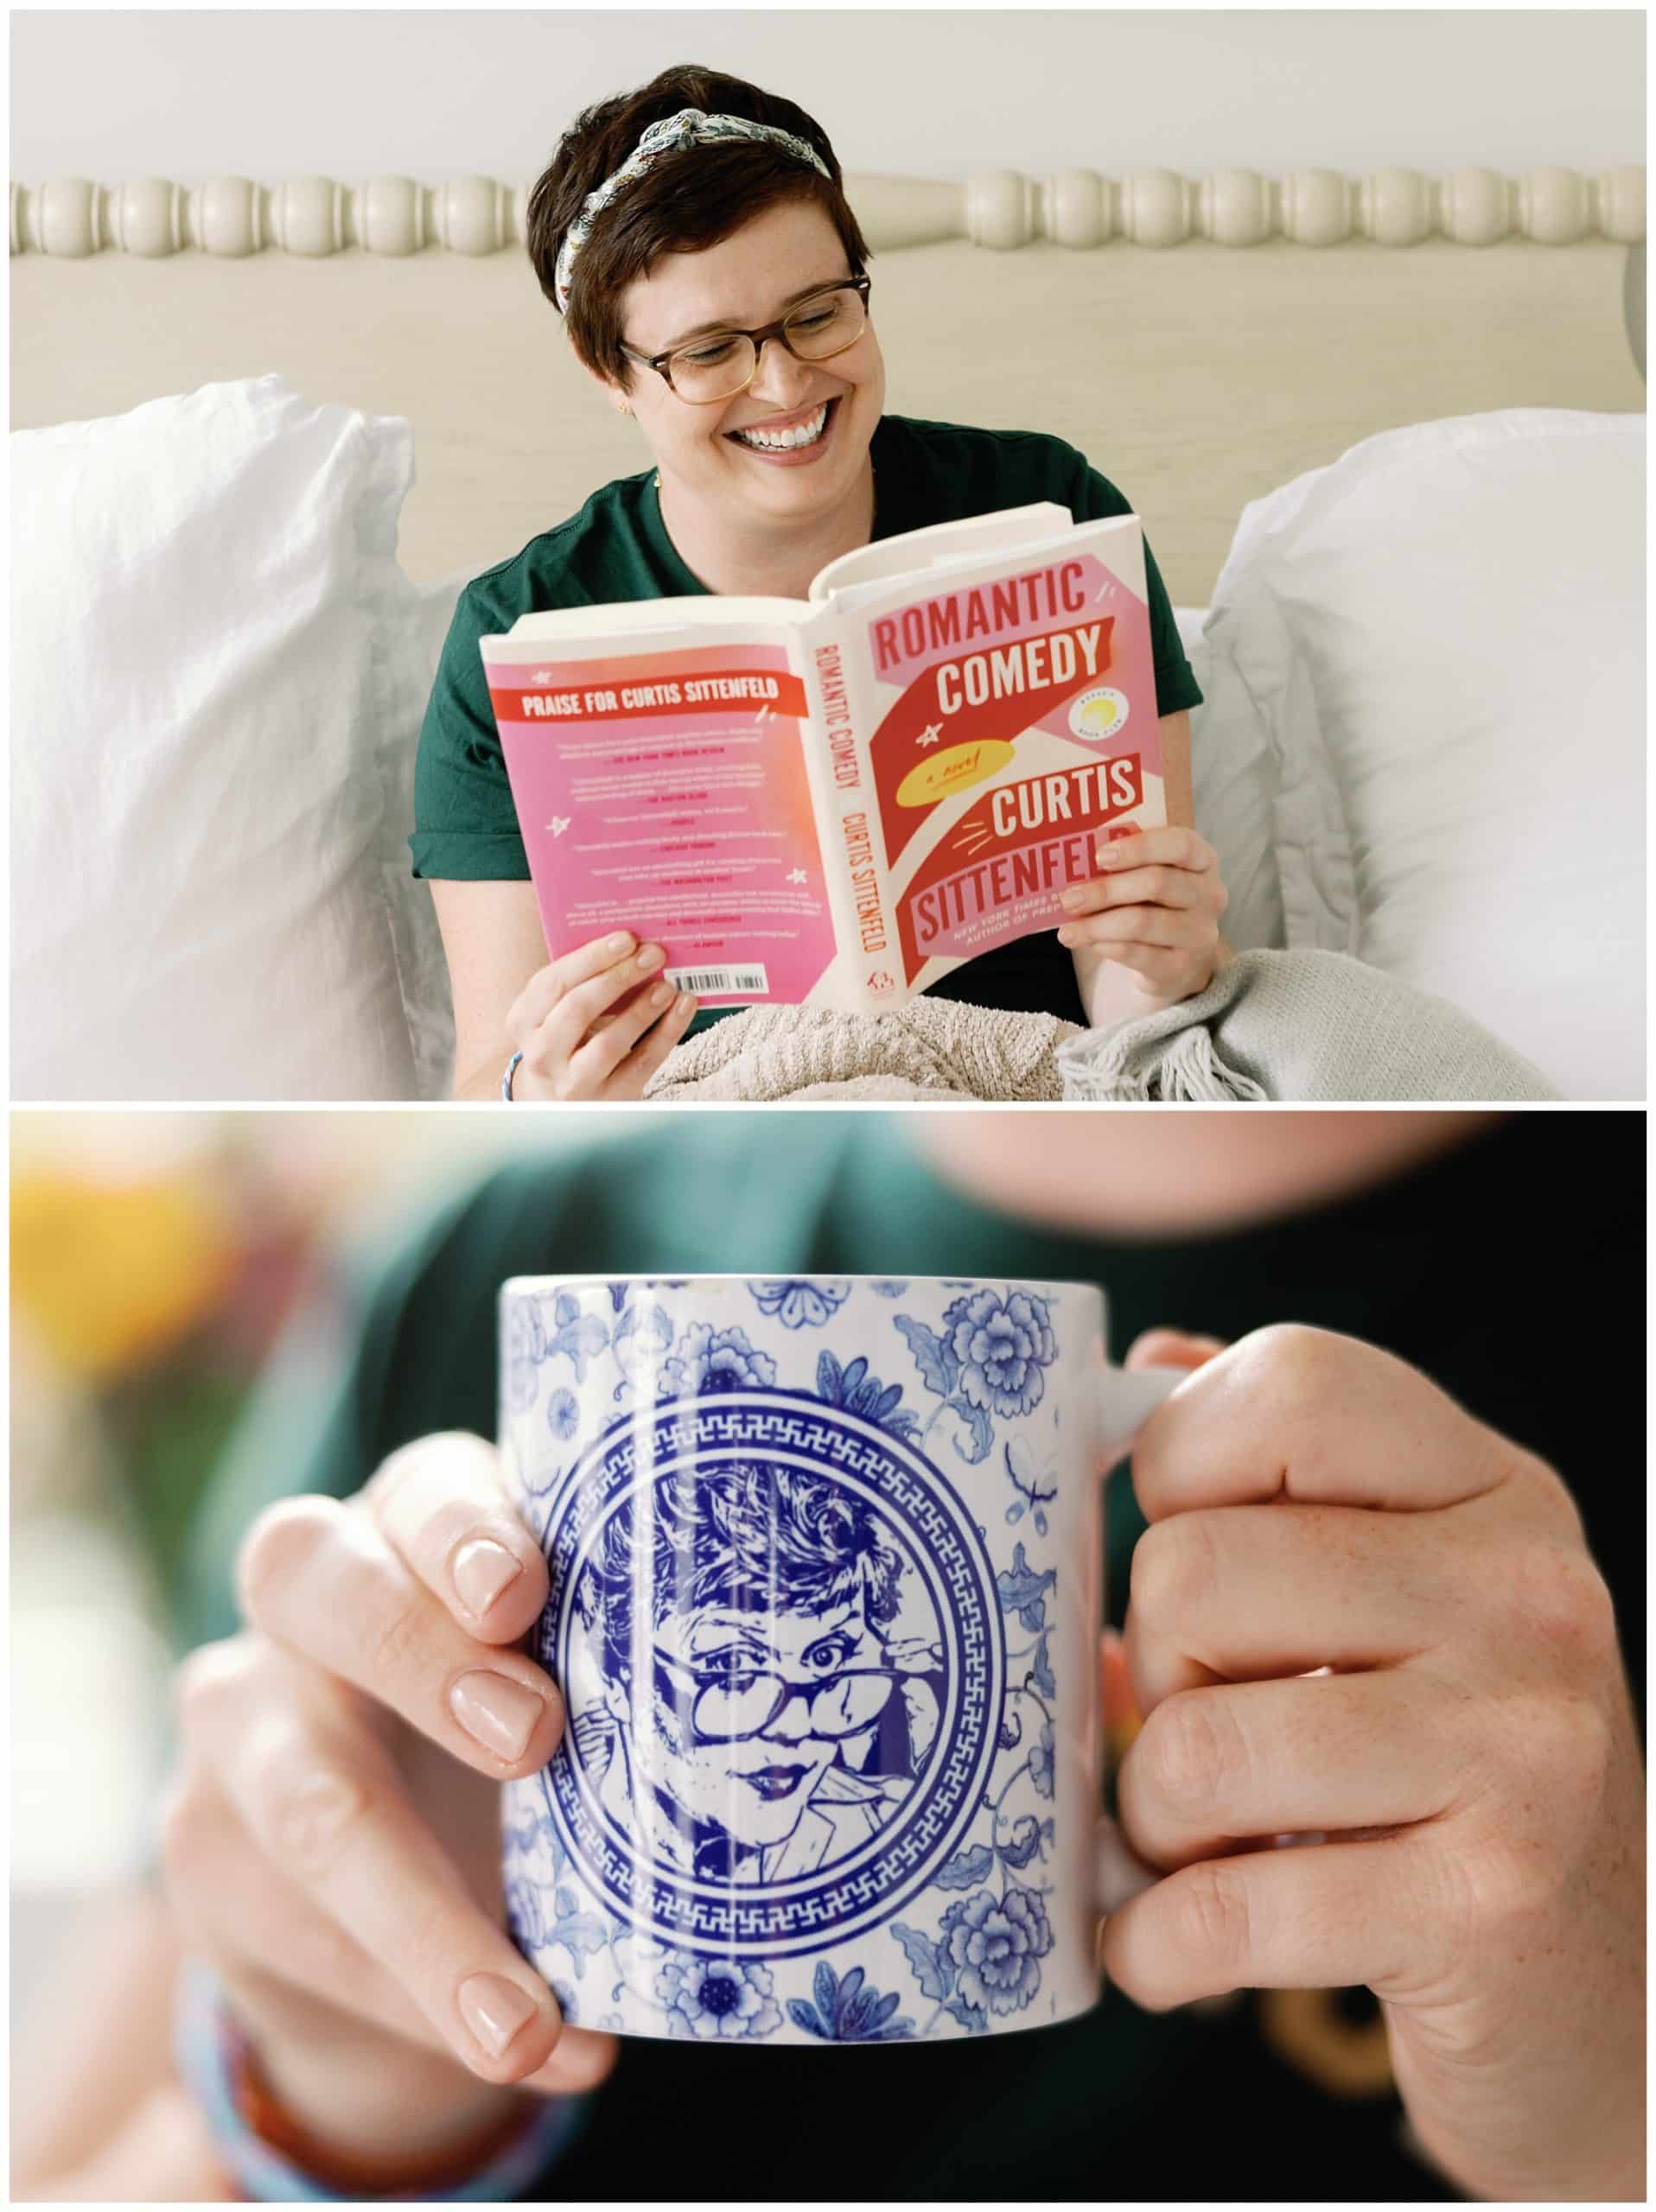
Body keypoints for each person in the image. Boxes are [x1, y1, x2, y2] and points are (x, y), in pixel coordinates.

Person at [12, 1110, 1644, 2201]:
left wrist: (1604, 2122)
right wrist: (337, 2097)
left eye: (833, 1656)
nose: (794, 1697)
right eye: (733, 1664)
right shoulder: (503, 1252)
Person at [415, 64, 1226, 1101]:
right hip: (721, 1105)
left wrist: (1166, 958)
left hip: (1023, 1092)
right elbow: (488, 1073)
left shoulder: (1050, 510)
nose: (786, 384)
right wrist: (544, 1090)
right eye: (709, 350)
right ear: (610, 376)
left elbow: (1125, 1010)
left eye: (817, 313)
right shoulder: (518, 631)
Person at [569, 1459, 931, 1883]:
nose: (795, 1726)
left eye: (825, 1657)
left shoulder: (886, 1822)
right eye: (734, 1666)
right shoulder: (548, 1797)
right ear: (614, 1671)